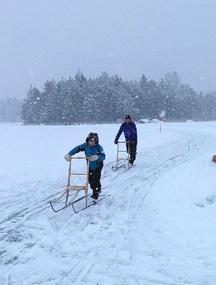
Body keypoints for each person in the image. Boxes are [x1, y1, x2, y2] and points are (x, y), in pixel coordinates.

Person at [64, 132, 105, 200]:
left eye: (93, 141)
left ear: (96, 141)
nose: (91, 142)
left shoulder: (99, 147)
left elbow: (103, 156)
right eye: (90, 141)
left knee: (96, 180)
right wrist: (69, 154)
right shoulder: (85, 145)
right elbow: (77, 148)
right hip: (89, 165)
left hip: (98, 165)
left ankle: (96, 193)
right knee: (90, 180)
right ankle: (96, 189)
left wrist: (97, 157)